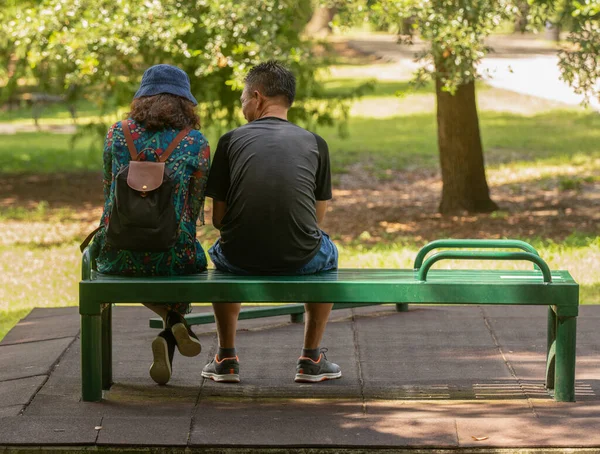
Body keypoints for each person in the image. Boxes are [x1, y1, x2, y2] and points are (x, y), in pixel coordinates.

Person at [202, 61, 341, 384]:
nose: (243, 108)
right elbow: (316, 220)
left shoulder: (230, 141)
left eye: (243, 102)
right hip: (301, 258)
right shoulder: (315, 143)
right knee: (328, 252)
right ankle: (311, 357)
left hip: (238, 259)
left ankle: (226, 356)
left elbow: (218, 220)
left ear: (257, 96)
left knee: (220, 255)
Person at [93, 64, 210, 386]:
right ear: (185, 102)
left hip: (117, 252)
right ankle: (173, 321)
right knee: (184, 260)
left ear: (142, 98)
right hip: (175, 253)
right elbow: (194, 208)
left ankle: (172, 324)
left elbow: (108, 191)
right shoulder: (195, 141)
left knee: (129, 265)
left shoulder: (118, 133)